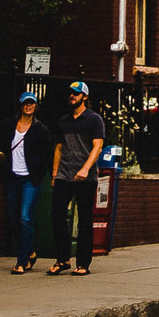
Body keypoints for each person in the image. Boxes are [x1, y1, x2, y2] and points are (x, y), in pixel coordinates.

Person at [49, 81, 106, 276]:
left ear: (85, 97)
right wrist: (55, 173)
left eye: (76, 93)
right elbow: (59, 148)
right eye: (70, 93)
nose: (72, 96)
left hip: (85, 178)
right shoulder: (64, 121)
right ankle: (63, 259)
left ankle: (83, 263)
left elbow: (97, 146)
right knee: (56, 215)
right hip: (64, 174)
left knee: (84, 220)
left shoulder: (93, 119)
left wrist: (85, 169)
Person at [0, 88, 53, 274]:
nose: (29, 106)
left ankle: (21, 261)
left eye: (32, 103)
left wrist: (43, 171)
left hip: (30, 178)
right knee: (13, 219)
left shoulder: (40, 129)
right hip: (12, 177)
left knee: (25, 217)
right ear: (21, 106)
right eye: (26, 103)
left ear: (36, 107)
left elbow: (48, 151)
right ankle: (29, 252)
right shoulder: (8, 125)